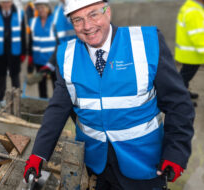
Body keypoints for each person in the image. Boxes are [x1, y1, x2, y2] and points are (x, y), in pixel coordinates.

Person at [23, 0, 195, 189]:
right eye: (77, 19)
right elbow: (57, 109)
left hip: (144, 163)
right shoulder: (67, 54)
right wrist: (38, 154)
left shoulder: (146, 43)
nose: (87, 26)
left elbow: (178, 104)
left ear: (108, 12)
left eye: (93, 14)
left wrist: (175, 152)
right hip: (96, 165)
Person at [0, 0, 26, 105]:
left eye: (8, 2)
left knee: (15, 78)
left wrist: (23, 52)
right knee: (1, 79)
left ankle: (17, 101)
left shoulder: (19, 13)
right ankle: (0, 100)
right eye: (3, 2)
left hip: (14, 52)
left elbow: (23, 34)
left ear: (11, 2)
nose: (6, 4)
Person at [175, 0, 204, 106]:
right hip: (192, 55)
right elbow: (198, 36)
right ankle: (180, 99)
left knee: (184, 75)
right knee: (184, 77)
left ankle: (183, 93)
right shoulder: (194, 11)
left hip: (188, 54)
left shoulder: (190, 7)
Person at [28, 0, 57, 98]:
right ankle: (43, 106)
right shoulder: (33, 22)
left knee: (56, 85)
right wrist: (30, 58)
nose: (41, 10)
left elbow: (59, 41)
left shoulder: (54, 20)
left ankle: (57, 107)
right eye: (38, 7)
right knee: (41, 86)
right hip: (39, 60)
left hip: (53, 61)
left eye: (43, 7)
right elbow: (31, 41)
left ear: (48, 8)